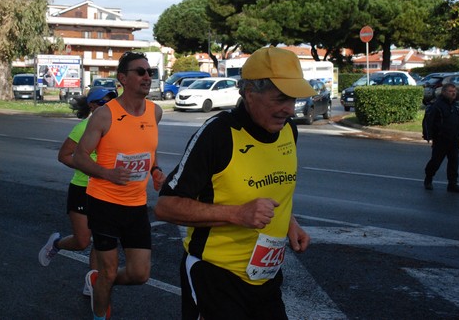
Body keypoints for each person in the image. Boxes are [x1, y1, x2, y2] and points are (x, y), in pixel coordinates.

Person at [154, 46, 314, 319]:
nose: (289, 109)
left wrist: (290, 223)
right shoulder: (218, 135)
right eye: (280, 99)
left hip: (266, 276)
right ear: (250, 94)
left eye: (294, 99)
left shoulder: (289, 130)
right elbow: (166, 206)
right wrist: (237, 214)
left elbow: (271, 188)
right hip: (215, 276)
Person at [73, 51, 165, 320]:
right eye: (140, 72)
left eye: (150, 72)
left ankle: (98, 283)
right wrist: (107, 174)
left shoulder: (155, 112)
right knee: (110, 270)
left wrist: (156, 170)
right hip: (104, 203)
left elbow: (148, 151)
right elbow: (79, 156)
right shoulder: (104, 115)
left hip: (136, 205)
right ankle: (100, 314)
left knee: (140, 274)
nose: (147, 77)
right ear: (123, 78)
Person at [38, 87, 118, 296]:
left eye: (112, 102)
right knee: (82, 240)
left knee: (101, 240)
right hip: (82, 189)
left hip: (105, 190)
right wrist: (90, 168)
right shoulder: (83, 128)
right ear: (92, 106)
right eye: (104, 102)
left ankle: (92, 282)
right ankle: (56, 243)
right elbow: (64, 156)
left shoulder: (116, 128)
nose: (109, 106)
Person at [423, 83, 459, 193]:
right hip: (441, 139)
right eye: (450, 91)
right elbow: (429, 121)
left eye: (454, 91)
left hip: (454, 139)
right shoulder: (437, 105)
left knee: (454, 162)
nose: (453, 93)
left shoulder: (456, 105)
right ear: (444, 92)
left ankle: (452, 184)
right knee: (436, 161)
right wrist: (429, 135)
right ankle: (428, 179)